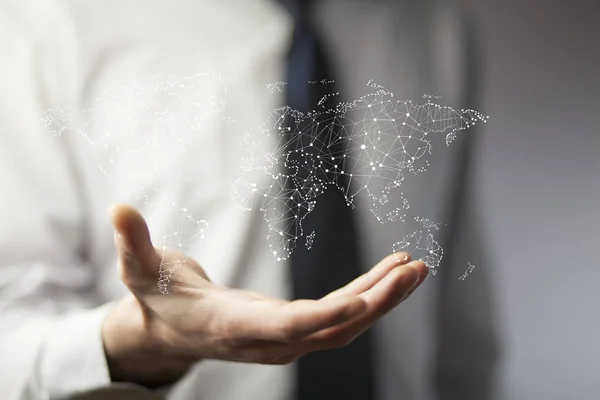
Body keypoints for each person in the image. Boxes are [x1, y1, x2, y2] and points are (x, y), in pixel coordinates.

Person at [0, 0, 500, 399]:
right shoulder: (50, 24)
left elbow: (456, 326)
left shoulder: (435, 26)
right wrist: (144, 345)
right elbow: (11, 332)